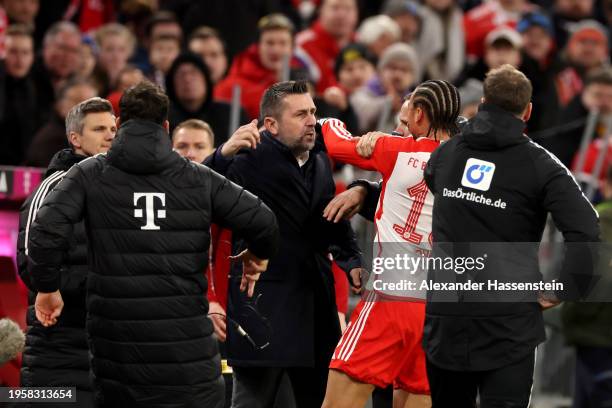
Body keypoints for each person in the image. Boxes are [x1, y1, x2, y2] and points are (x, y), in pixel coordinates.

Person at [28, 81, 279, 408]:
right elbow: (265, 222)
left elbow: (44, 231)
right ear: (165, 127)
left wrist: (47, 288)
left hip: (117, 352)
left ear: (118, 125)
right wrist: (256, 255)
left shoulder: (88, 173)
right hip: (187, 354)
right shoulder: (197, 177)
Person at [422, 64, 599, 407]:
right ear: (528, 110)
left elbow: (432, 184)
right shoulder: (542, 165)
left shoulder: (446, 153)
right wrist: (566, 286)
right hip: (509, 323)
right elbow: (587, 229)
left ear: (484, 101)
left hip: (447, 318)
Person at [204, 80, 363, 408]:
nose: (311, 121)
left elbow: (327, 218)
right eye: (301, 114)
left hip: (315, 305)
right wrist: (221, 154)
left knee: (318, 400)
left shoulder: (319, 160)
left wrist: (351, 258)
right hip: (263, 305)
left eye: (314, 112)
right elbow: (195, 195)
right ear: (270, 125)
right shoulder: (248, 159)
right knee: (253, 401)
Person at [319, 79, 461, 408]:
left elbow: (334, 142)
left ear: (421, 114)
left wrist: (328, 118)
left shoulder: (396, 151)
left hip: (391, 300)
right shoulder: (471, 166)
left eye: (406, 115)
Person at [17, 97, 117, 408]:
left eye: (114, 128)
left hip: (112, 345)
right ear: (75, 138)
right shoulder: (54, 186)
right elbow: (29, 259)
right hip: (59, 345)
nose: (111, 135)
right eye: (99, 128)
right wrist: (99, 285)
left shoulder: (124, 189)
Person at [166, 52, 248, 146]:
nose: (187, 79)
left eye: (194, 73)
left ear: (206, 79)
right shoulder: (163, 119)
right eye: (181, 74)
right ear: (171, 83)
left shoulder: (231, 113)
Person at [24, 79, 98, 167]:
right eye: (78, 101)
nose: (87, 110)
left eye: (92, 104)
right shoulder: (53, 140)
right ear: (60, 105)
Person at [296, 0, 359, 93]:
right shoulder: (301, 46)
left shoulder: (363, 43)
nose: (341, 15)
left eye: (348, 9)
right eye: (335, 8)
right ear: (320, 11)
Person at [0, 24, 39, 165]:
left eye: (25, 53)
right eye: (13, 52)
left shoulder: (37, 86)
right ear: (4, 53)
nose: (19, 60)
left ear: (32, 56)